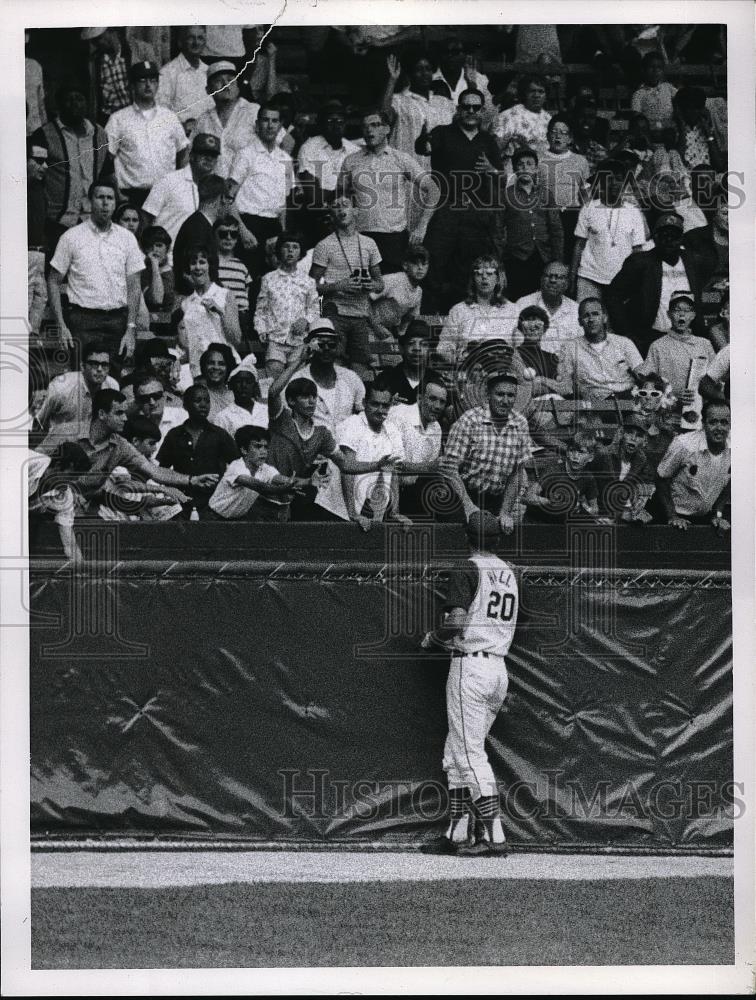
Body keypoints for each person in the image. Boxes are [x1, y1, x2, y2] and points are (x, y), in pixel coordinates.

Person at [420, 509, 517, 856]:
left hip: (470, 668)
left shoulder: (467, 566)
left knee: (469, 753)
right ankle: (458, 833)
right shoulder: (508, 572)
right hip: (498, 670)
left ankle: (495, 837)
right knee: (456, 751)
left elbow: (457, 620)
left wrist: (433, 637)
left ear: (467, 537)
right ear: (496, 539)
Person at [267, 343, 394, 521]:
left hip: (293, 496)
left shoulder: (322, 434)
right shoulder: (282, 420)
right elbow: (273, 393)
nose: (311, 402)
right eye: (305, 397)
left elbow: (346, 465)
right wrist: (299, 362)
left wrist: (376, 465)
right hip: (267, 494)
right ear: (291, 401)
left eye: (314, 397)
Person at [415, 87, 504, 313]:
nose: (471, 111)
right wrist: (424, 138)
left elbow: (501, 176)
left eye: (476, 107)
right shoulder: (443, 132)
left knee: (468, 271)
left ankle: (464, 320)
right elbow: (424, 148)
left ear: (483, 111)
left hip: (477, 216)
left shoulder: (488, 140)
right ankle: (431, 324)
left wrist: (491, 169)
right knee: (436, 266)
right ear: (459, 109)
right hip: (445, 211)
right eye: (466, 107)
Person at [47, 180, 144, 364]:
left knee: (113, 383)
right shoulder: (71, 237)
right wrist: (60, 325)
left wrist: (131, 327)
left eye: (110, 198)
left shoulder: (127, 238)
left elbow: (134, 285)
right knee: (80, 378)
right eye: (100, 197)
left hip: (117, 321)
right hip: (82, 320)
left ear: (115, 203)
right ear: (89, 202)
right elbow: (53, 280)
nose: (105, 203)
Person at [74, 387, 218, 507]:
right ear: (101, 414)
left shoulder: (120, 445)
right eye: (119, 413)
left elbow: (154, 471)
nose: (125, 418)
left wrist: (191, 480)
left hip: (85, 508)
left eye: (125, 412)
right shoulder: (68, 434)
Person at [337, 109, 438, 272]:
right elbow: (341, 197)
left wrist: (422, 226)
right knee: (360, 290)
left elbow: (433, 189)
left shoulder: (400, 159)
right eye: (365, 126)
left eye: (375, 125)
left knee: (391, 290)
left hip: (393, 240)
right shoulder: (351, 161)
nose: (369, 130)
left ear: (387, 129)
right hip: (360, 237)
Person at [442, 371, 533, 528]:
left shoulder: (520, 423)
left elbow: (517, 473)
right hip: (462, 494)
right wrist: (469, 507)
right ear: (488, 395)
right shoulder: (469, 420)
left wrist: (505, 512)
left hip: (496, 499)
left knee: (502, 533)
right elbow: (449, 469)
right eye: (500, 394)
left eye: (510, 395)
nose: (505, 401)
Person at [316, 380, 408, 529]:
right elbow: (347, 470)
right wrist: (352, 514)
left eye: (385, 405)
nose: (380, 410)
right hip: (335, 509)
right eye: (375, 404)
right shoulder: (352, 424)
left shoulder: (393, 430)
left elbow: (394, 473)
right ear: (364, 403)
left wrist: (394, 513)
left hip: (366, 512)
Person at [309, 196, 384, 379]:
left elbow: (380, 283)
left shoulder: (369, 243)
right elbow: (308, 286)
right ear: (331, 214)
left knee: (359, 365)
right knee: (333, 361)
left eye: (345, 205)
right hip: (335, 312)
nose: (341, 209)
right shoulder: (325, 245)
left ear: (355, 211)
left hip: (361, 314)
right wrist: (336, 286)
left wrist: (370, 285)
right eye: (335, 206)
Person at [31, 84, 111, 254]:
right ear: (58, 105)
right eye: (68, 99)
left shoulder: (100, 134)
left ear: (87, 103)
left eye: (79, 99)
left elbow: (107, 174)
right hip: (58, 223)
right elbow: (35, 180)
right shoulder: (44, 135)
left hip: (93, 220)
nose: (75, 104)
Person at [105, 61, 189, 208]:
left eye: (153, 80)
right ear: (132, 86)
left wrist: (180, 186)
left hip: (166, 194)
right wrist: (117, 193)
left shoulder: (169, 117)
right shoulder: (118, 119)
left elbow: (183, 152)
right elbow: (107, 158)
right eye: (142, 80)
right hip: (132, 196)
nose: (148, 85)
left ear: (157, 84)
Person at [227, 103, 294, 277]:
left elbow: (283, 203)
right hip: (248, 225)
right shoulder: (246, 154)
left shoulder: (285, 159)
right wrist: (242, 231)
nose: (270, 125)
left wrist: (282, 234)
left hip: (273, 229)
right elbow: (228, 197)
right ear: (257, 125)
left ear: (280, 126)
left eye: (274, 121)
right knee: (248, 280)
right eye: (265, 120)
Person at [570, 159, 646, 303]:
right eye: (608, 179)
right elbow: (579, 244)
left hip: (622, 280)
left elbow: (638, 251)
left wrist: (637, 280)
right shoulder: (588, 208)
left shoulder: (634, 212)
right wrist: (572, 277)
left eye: (618, 179)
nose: (613, 184)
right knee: (587, 319)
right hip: (589, 277)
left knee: (616, 323)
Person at [157, 383, 238, 515]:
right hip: (181, 502)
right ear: (185, 405)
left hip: (213, 503)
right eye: (197, 400)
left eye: (207, 400)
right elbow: (163, 469)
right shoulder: (174, 435)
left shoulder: (219, 434)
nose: (203, 405)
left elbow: (236, 464)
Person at [656, 400, 731, 530]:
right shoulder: (684, 444)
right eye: (713, 422)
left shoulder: (736, 448)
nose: (719, 428)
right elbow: (661, 479)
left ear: (730, 424)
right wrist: (672, 517)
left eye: (724, 422)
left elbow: (728, 486)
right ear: (703, 424)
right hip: (669, 516)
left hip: (703, 518)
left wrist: (717, 515)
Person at [500, 147, 563, 300]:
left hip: (543, 257)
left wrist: (558, 261)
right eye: (520, 164)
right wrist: (500, 265)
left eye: (529, 164)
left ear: (535, 169)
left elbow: (556, 230)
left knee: (542, 299)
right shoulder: (506, 195)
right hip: (516, 258)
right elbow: (498, 231)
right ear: (515, 169)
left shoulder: (546, 194)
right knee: (518, 299)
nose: (525, 168)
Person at [32, 341, 118, 453]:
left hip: (93, 449)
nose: (100, 369)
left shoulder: (112, 387)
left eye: (105, 365)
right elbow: (38, 423)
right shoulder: (61, 386)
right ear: (82, 366)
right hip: (60, 449)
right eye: (94, 364)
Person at [254, 232, 319, 376]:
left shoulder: (308, 282)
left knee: (297, 377)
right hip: (276, 338)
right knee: (274, 374)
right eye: (286, 247)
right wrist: (261, 329)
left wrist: (306, 320)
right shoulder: (268, 279)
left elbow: (315, 309)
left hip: (299, 340)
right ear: (278, 251)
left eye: (295, 247)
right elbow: (261, 309)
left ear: (300, 252)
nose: (290, 251)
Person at [556, 297, 644, 401]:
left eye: (595, 314)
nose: (591, 319)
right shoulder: (570, 348)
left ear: (604, 318)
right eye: (586, 316)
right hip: (596, 405)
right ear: (580, 322)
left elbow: (642, 374)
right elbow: (566, 385)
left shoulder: (624, 343)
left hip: (628, 399)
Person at [142, 132, 222, 245]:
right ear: (192, 155)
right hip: (165, 257)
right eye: (204, 153)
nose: (209, 158)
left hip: (196, 259)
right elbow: (146, 218)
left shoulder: (216, 188)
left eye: (213, 155)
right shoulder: (169, 180)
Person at [288, 318, 366, 433]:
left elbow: (363, 415)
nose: (326, 349)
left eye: (331, 344)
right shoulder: (297, 380)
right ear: (310, 347)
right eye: (321, 344)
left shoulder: (351, 378)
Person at [208, 425, 299, 522]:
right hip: (212, 518)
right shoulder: (236, 467)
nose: (263, 451)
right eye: (258, 446)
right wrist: (283, 489)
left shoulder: (266, 469)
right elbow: (260, 487)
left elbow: (286, 480)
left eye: (266, 447)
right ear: (244, 450)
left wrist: (309, 481)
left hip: (236, 520)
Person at [438, 256, 520, 364]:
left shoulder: (512, 310)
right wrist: (457, 360)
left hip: (503, 372)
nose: (484, 277)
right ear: (473, 279)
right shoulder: (459, 310)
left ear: (498, 278)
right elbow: (444, 347)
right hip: (468, 371)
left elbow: (520, 349)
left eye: (490, 273)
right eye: (479, 273)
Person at [381, 52, 455, 168]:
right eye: (419, 69)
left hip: (439, 175)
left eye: (428, 69)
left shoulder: (444, 102)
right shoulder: (398, 100)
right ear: (410, 73)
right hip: (406, 173)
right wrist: (392, 80)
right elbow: (384, 117)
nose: (424, 73)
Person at [179, 245, 242, 377]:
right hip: (198, 370)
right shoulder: (186, 303)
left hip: (223, 366)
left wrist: (220, 312)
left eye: (202, 262)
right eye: (193, 263)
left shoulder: (225, 294)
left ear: (210, 265)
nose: (197, 267)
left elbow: (236, 339)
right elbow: (189, 344)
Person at [389, 375, 447, 517]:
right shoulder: (398, 416)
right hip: (386, 487)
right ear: (419, 399)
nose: (438, 406)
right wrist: (428, 467)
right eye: (432, 399)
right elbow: (391, 466)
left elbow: (428, 472)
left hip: (412, 491)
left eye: (442, 402)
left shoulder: (436, 427)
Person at [640, 293, 715, 401]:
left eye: (687, 310)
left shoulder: (704, 344)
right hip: (669, 407)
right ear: (669, 314)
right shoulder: (658, 346)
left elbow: (715, 378)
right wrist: (671, 393)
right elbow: (647, 381)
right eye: (677, 310)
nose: (681, 314)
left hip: (700, 407)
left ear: (693, 315)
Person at [194, 61, 261, 178]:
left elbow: (287, 143)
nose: (226, 84)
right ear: (208, 90)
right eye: (218, 81)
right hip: (213, 192)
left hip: (247, 190)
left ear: (237, 86)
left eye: (230, 79)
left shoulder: (253, 111)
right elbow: (189, 156)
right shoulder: (203, 120)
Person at [28, 443, 91, 562]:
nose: (72, 483)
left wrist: (82, 569)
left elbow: (69, 541)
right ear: (57, 466)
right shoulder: (27, 462)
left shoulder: (65, 497)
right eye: (71, 476)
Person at [538, 116, 590, 261]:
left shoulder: (580, 160)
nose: (558, 136)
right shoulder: (538, 159)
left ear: (570, 138)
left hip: (572, 214)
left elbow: (584, 193)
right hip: (546, 214)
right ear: (547, 136)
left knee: (571, 255)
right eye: (554, 132)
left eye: (563, 132)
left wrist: (589, 214)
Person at [82, 26, 157, 123]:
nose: (98, 44)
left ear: (112, 31)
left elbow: (156, 87)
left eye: (99, 38)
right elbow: (95, 98)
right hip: (110, 121)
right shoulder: (94, 62)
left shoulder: (141, 50)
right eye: (94, 41)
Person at [591, 413, 656, 522]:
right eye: (629, 433)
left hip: (623, 510)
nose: (633, 438)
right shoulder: (604, 455)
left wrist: (637, 506)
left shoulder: (642, 460)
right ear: (621, 433)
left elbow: (647, 484)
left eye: (639, 435)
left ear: (644, 441)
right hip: (600, 511)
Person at [170, 173, 227, 294]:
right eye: (228, 199)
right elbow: (194, 273)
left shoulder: (199, 224)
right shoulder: (198, 228)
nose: (229, 205)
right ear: (220, 199)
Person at [515, 261, 581, 353]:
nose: (552, 280)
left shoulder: (576, 310)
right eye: (548, 276)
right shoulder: (524, 304)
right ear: (541, 279)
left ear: (567, 283)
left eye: (559, 277)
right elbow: (516, 343)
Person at [157, 25, 213, 126]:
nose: (196, 43)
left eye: (200, 38)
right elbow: (161, 113)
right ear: (180, 42)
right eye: (191, 38)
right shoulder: (168, 73)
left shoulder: (209, 71)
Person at [375, 322, 434, 405]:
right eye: (411, 343)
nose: (417, 348)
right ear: (401, 348)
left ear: (430, 351)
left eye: (423, 344)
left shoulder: (436, 381)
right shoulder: (386, 378)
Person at [494, 74, 552, 158]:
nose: (536, 95)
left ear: (546, 95)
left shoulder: (549, 118)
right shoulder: (509, 116)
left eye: (541, 91)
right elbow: (495, 148)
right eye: (532, 91)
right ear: (524, 93)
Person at [214, 216, 253, 337]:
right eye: (223, 234)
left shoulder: (241, 266)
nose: (228, 238)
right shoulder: (211, 263)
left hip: (241, 316)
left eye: (234, 234)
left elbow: (247, 290)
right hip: (218, 314)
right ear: (214, 235)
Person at [27, 138, 48, 335]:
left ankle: (32, 337)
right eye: (39, 161)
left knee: (40, 298)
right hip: (21, 255)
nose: (45, 166)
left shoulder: (39, 190)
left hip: (38, 254)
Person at [131, 374, 188, 447]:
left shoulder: (183, 417)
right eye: (145, 398)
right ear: (137, 401)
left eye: (156, 396)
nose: (152, 402)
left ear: (165, 396)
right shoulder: (133, 425)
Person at [140, 225, 176, 339]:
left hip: (170, 330)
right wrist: (155, 267)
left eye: (159, 245)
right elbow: (156, 299)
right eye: (150, 246)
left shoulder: (174, 273)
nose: (155, 250)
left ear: (167, 248)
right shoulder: (143, 273)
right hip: (148, 330)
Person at [214, 367, 269, 437]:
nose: (244, 385)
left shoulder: (265, 411)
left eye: (248, 382)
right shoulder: (223, 417)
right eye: (238, 381)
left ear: (255, 386)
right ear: (231, 385)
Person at [631, 52, 677, 129]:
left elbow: (682, 97)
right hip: (650, 129)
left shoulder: (668, 88)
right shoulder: (639, 93)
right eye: (651, 67)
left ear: (663, 70)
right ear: (644, 70)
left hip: (669, 128)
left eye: (659, 67)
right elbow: (637, 116)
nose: (655, 71)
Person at [194, 343, 237, 421]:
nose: (216, 367)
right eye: (211, 363)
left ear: (228, 368)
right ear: (204, 366)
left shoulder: (235, 396)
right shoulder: (196, 395)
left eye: (221, 364)